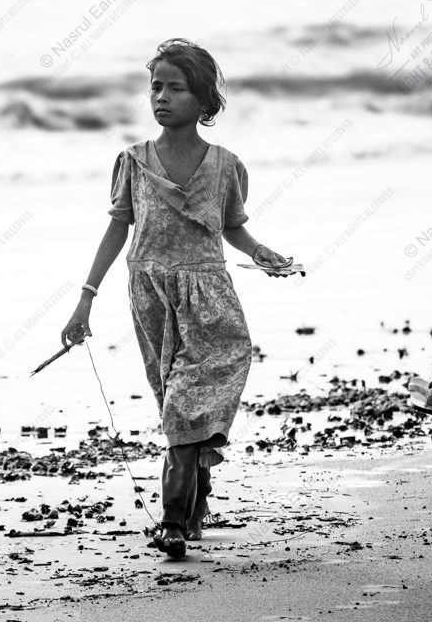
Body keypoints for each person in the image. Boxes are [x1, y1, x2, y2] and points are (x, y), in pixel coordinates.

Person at [61, 37, 293, 559]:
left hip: (209, 292)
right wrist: (85, 298)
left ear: (205, 101)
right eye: (155, 87)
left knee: (187, 405)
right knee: (174, 402)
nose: (161, 97)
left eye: (176, 88)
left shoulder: (226, 165)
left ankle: (169, 520)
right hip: (149, 293)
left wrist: (260, 253)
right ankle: (196, 500)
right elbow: (117, 229)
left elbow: (232, 228)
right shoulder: (133, 163)